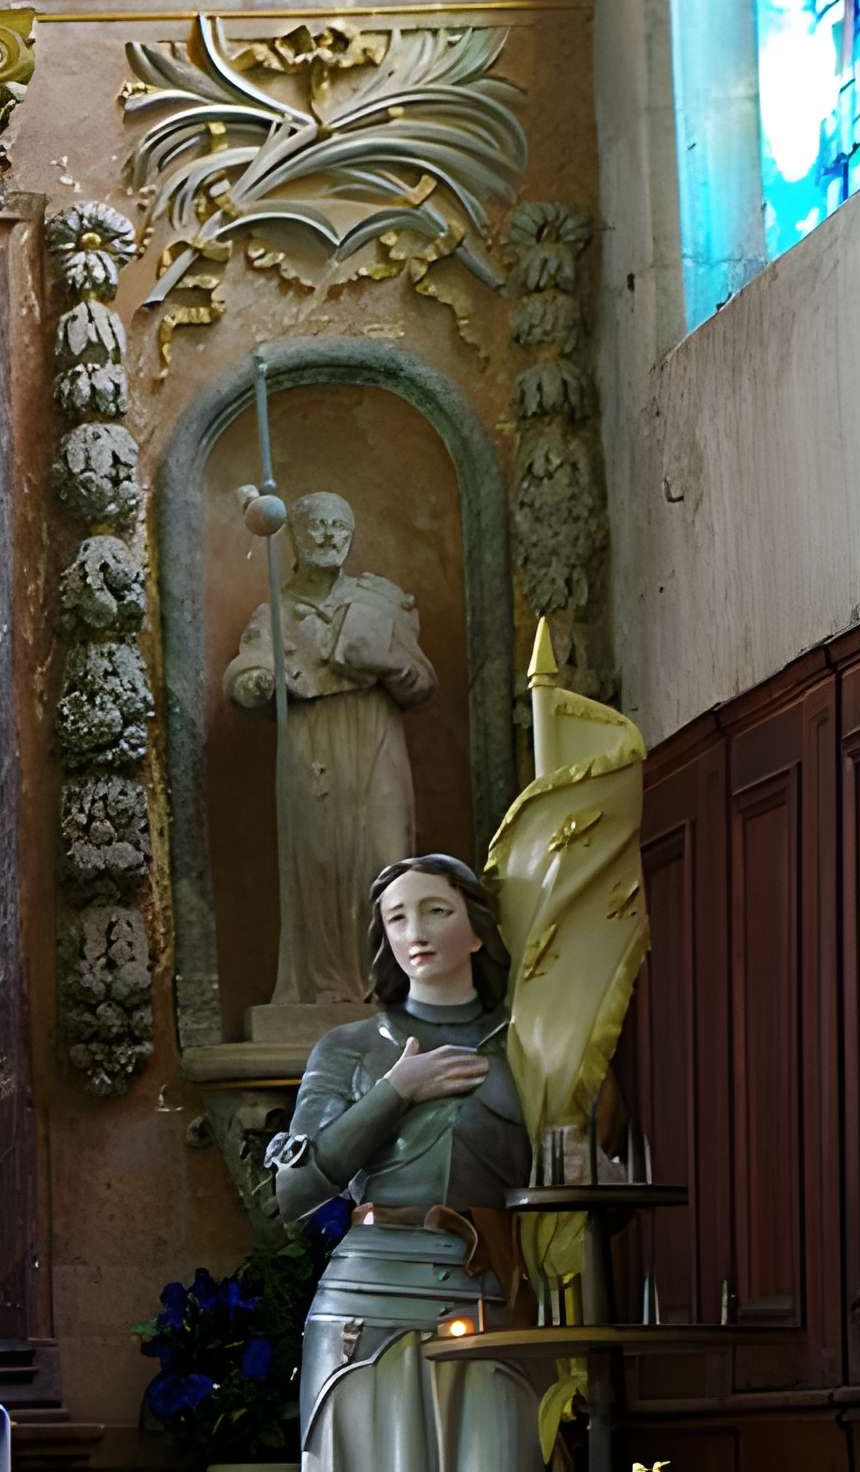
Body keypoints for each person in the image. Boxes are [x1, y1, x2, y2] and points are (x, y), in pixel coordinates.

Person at [270, 853, 539, 1472]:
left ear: (475, 930)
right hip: (367, 1301)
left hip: (490, 1291)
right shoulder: (350, 1047)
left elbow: (579, 1157)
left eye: (435, 911)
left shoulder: (529, 1042)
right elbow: (295, 1190)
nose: (414, 932)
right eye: (396, 918)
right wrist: (398, 1089)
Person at [228, 491, 439, 1009]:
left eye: (338, 528)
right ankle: (324, 991)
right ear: (296, 538)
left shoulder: (382, 602)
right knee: (318, 866)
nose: (327, 536)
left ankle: (393, 988)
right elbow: (245, 671)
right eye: (316, 527)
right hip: (309, 742)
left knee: (387, 858)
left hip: (374, 736)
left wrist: (386, 660)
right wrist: (258, 681)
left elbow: (422, 683)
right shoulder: (276, 611)